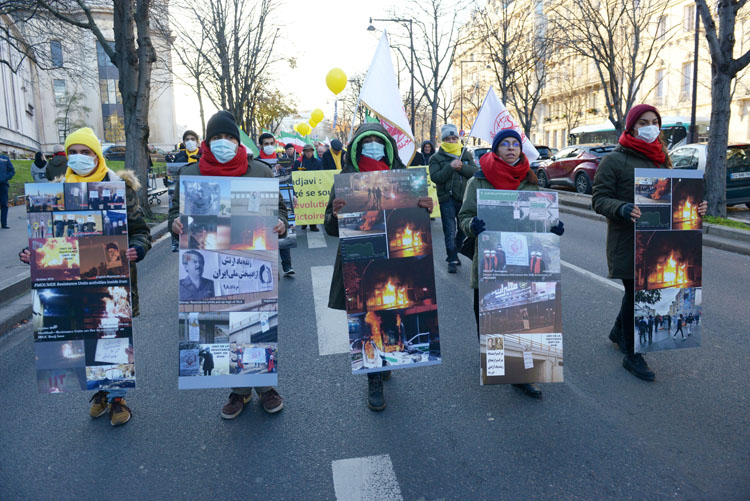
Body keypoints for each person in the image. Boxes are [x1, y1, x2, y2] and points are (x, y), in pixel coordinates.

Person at [18, 127, 151, 425]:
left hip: (111, 280)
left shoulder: (120, 188)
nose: (78, 158)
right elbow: (44, 240)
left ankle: (117, 398)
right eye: (73, 153)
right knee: (84, 335)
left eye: (85, 152)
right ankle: (99, 392)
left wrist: (137, 249)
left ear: (97, 155)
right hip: (72, 281)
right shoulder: (55, 191)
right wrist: (31, 255)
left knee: (110, 335)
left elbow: (140, 230)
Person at [169, 110, 287, 419]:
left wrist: (281, 223)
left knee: (255, 321)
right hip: (210, 261)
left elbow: (282, 209)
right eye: (217, 137)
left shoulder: (259, 172)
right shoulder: (191, 174)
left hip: (250, 263)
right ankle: (238, 391)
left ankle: (264, 387)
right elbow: (173, 212)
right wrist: (175, 224)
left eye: (230, 137)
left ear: (238, 141)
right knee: (223, 323)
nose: (224, 143)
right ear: (207, 141)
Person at [592, 104, 707, 381]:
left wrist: (695, 206)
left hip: (658, 240)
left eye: (655, 121)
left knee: (635, 293)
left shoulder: (661, 157)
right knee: (636, 294)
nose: (650, 126)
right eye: (643, 122)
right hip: (628, 241)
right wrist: (621, 207)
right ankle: (633, 355)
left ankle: (619, 333)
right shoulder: (614, 160)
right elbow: (598, 199)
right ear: (631, 126)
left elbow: (671, 195)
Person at [324, 122, 434, 411]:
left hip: (397, 263)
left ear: (387, 145)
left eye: (377, 140)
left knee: (393, 311)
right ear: (357, 145)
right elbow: (330, 229)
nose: (372, 144)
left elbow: (416, 221)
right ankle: (373, 379)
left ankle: (387, 359)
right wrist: (335, 214)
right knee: (370, 315)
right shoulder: (346, 179)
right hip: (362, 263)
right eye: (366, 140)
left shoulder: (405, 179)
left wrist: (425, 207)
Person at [458, 129, 564, 399]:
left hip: (524, 262)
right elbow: (464, 217)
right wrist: (473, 225)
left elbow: (538, 217)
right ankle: (497, 360)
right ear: (495, 150)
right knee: (490, 314)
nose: (510, 148)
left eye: (515, 144)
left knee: (521, 314)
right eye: (504, 144)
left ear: (520, 149)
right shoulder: (479, 180)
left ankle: (520, 374)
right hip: (492, 262)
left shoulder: (529, 180)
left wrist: (552, 227)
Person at [429, 124, 478, 273]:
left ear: (458, 138)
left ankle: (455, 250)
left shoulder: (466, 154)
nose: (451, 141)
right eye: (448, 138)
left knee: (463, 229)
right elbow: (436, 177)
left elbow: (474, 173)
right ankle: (451, 259)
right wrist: (450, 166)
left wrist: (462, 167)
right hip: (447, 199)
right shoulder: (435, 158)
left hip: (464, 199)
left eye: (454, 138)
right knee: (449, 230)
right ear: (443, 140)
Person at [261, 132, 295, 276]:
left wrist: (294, 195)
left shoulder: (283, 160)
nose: (269, 146)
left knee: (283, 230)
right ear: (261, 146)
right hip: (263, 203)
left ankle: (287, 266)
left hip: (282, 200)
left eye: (271, 143)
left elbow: (290, 179)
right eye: (266, 144)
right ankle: (268, 268)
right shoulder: (256, 163)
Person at [294, 143, 322, 231]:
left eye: (310, 151)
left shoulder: (318, 162)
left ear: (313, 152)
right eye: (306, 152)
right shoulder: (299, 162)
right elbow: (294, 174)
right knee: (303, 205)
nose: (308, 153)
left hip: (314, 187)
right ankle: (303, 222)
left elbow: (321, 174)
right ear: (304, 152)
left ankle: (313, 225)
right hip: (302, 188)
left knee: (313, 206)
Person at [0, 152, 14, 229]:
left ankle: (4, 223)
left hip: (3, 185)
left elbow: (12, 171)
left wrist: (5, 178)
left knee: (4, 204)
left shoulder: (5, 159)